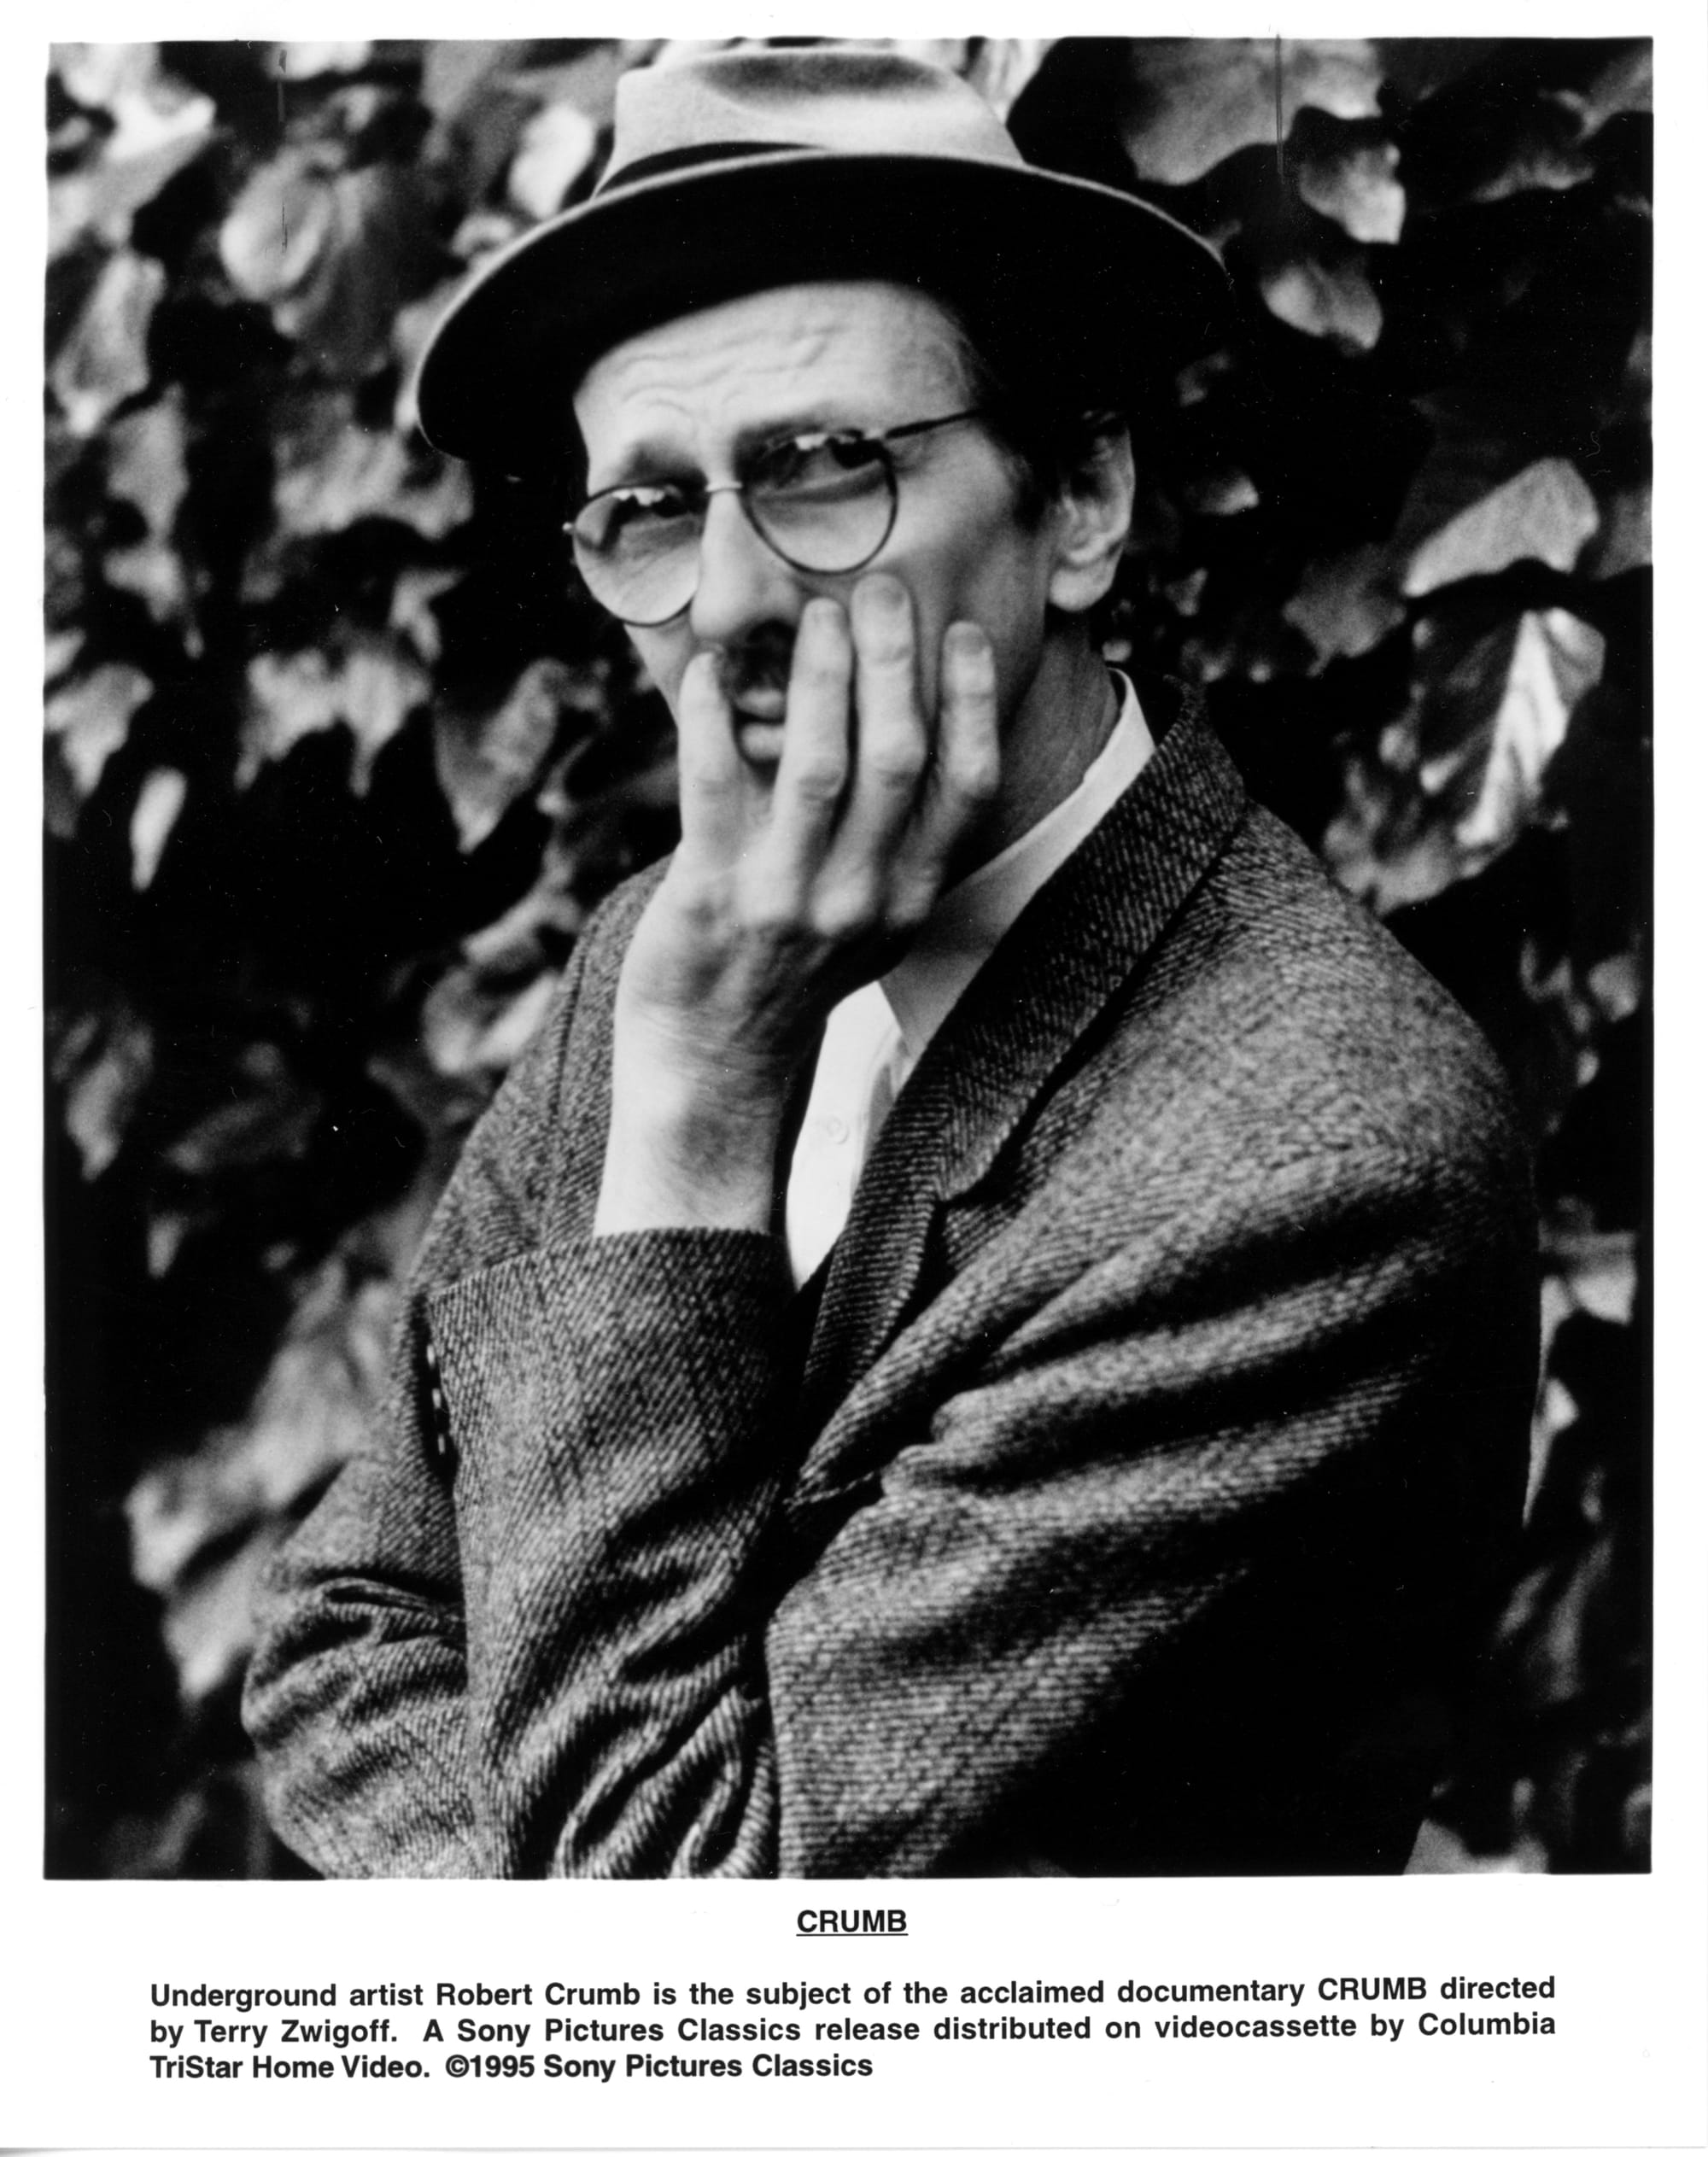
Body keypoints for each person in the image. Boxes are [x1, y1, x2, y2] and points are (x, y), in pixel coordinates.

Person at [243, 44, 1538, 1878]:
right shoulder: (664, 955)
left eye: (824, 469)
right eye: (651, 510)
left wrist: (692, 1122)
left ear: (1079, 500)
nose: (737, 601)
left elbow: (696, 1960)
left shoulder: (1313, 1159)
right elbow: (344, 1631)